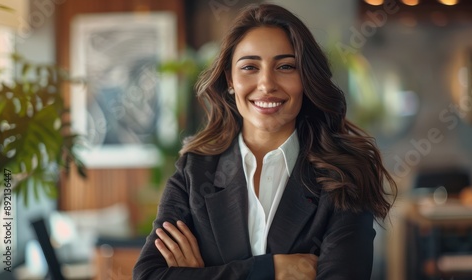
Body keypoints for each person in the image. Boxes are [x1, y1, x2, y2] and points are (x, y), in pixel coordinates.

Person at [133, 3, 396, 279]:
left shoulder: (346, 175)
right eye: (250, 67)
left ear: (305, 78)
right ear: (230, 80)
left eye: (285, 66)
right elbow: (148, 275)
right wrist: (268, 270)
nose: (267, 83)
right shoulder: (194, 172)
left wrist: (205, 274)